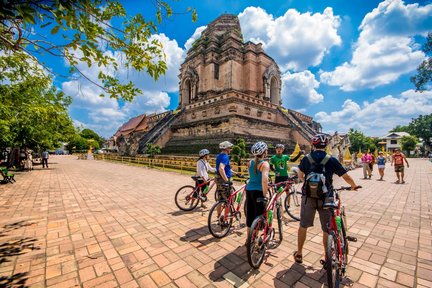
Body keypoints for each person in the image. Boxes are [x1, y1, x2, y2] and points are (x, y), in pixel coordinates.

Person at [293, 134, 358, 265]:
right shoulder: (331, 160)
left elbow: (300, 174)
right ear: (326, 145)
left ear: (313, 145)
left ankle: (299, 253)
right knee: (327, 229)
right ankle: (327, 254)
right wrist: (353, 186)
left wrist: (306, 182)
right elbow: (345, 176)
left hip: (308, 197)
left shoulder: (306, 158)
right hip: (326, 197)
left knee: (303, 226)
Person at [246, 142, 270, 236]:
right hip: (258, 191)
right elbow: (264, 181)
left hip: (249, 190)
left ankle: (249, 238)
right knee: (259, 215)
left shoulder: (250, 162)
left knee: (250, 214)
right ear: (264, 152)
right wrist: (265, 194)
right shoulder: (264, 164)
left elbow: (252, 176)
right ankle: (254, 237)